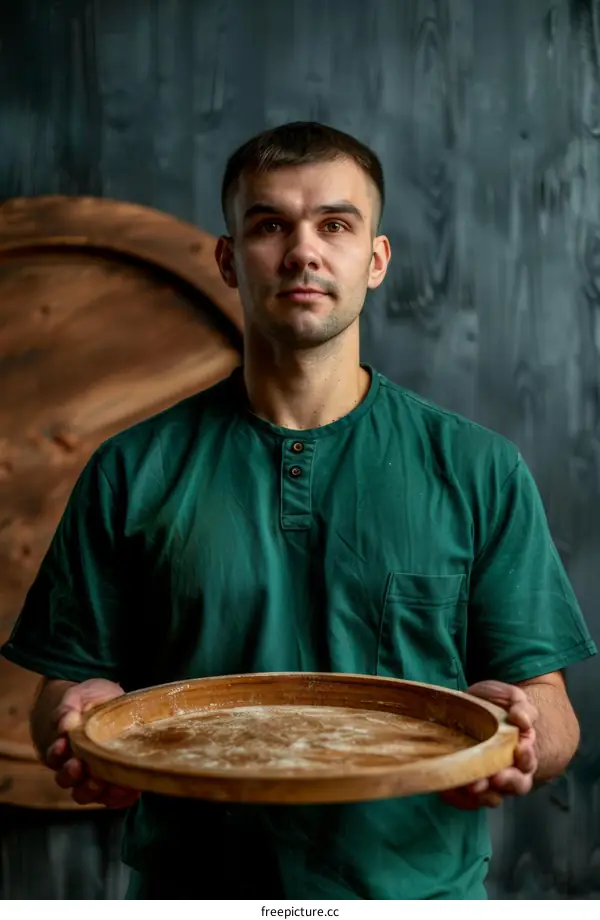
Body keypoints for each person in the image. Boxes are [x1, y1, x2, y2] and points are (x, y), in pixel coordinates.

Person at [1, 121, 596, 900]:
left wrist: (525, 733)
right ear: (227, 258)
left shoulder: (477, 467)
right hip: (194, 894)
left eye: (336, 225)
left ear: (375, 261)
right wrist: (72, 721)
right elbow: (65, 692)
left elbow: (551, 713)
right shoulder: (131, 470)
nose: (303, 251)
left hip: (418, 897)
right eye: (269, 224)